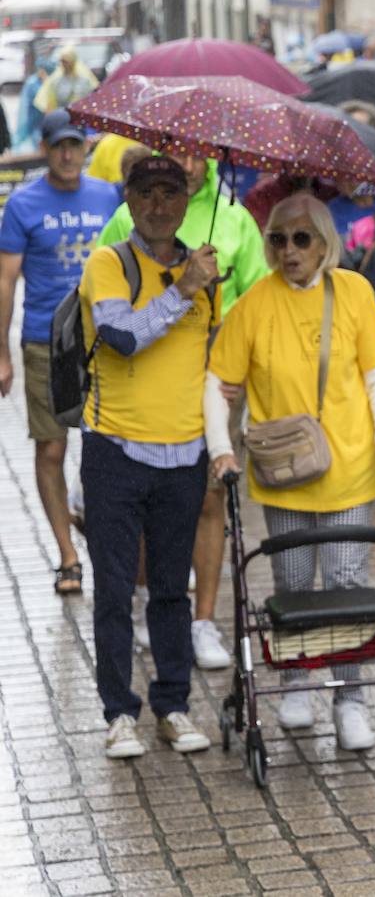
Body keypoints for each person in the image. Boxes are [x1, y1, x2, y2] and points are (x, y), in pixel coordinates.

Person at [205, 193, 375, 751]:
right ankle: (295, 685)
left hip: (349, 472)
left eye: (301, 238)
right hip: (283, 476)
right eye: (278, 239)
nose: (289, 250)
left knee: (344, 588)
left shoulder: (354, 291)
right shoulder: (252, 305)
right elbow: (219, 384)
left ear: (324, 242)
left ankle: (349, 697)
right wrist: (221, 448)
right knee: (292, 587)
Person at [98, 153, 270, 671]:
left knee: (212, 499)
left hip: (218, 385)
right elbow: (114, 320)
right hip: (145, 395)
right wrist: (186, 287)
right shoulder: (126, 224)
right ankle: (151, 600)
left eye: (200, 155)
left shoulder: (234, 214)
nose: (190, 167)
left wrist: (238, 366)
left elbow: (257, 297)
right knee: (153, 510)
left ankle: (203, 620)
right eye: (180, 155)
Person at [78, 156, 222, 759]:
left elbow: (213, 360)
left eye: (171, 192)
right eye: (147, 194)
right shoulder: (109, 262)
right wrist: (182, 291)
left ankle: (173, 704)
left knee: (171, 589)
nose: (160, 204)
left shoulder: (205, 270)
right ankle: (119, 713)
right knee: (114, 590)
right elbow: (122, 337)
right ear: (129, 201)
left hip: (184, 455)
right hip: (116, 448)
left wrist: (222, 443)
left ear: (187, 200)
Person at [0, 111, 121, 595]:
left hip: (105, 340)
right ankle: (68, 556)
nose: (68, 154)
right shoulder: (23, 205)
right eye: (58, 146)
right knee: (52, 447)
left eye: (75, 144)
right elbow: (6, 281)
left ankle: (111, 545)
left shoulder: (109, 196)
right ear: (46, 149)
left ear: (87, 147)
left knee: (109, 447)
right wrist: (2, 355)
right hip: (45, 340)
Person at [33, 45, 99, 113]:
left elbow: (92, 102)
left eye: (66, 61)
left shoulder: (84, 81)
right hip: (61, 118)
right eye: (62, 61)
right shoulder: (56, 82)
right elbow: (50, 105)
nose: (64, 64)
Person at [13, 55, 51, 153]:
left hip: (44, 117)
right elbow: (27, 102)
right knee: (33, 138)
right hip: (33, 115)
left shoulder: (48, 81)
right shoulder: (32, 83)